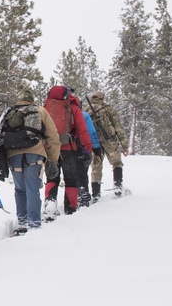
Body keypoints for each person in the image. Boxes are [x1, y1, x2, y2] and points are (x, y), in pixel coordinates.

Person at [0, 88, 60, 233]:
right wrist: (53, 160)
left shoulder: (9, 112)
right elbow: (52, 137)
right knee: (32, 188)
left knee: (19, 189)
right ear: (31, 99)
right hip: (34, 154)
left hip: (13, 156)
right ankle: (34, 223)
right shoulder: (40, 111)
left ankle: (22, 222)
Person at [42, 85, 92, 216]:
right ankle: (70, 208)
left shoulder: (46, 107)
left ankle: (50, 204)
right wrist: (87, 148)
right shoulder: (73, 107)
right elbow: (82, 130)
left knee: (52, 177)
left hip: (50, 149)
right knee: (70, 179)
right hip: (69, 148)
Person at [84, 90, 127, 199]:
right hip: (109, 141)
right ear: (101, 98)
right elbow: (117, 126)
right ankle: (118, 187)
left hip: (94, 143)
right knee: (117, 163)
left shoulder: (85, 109)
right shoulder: (107, 108)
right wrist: (124, 144)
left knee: (95, 167)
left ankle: (96, 194)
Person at [78, 110, 99, 207]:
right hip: (83, 149)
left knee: (69, 176)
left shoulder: (57, 112)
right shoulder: (83, 115)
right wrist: (96, 147)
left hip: (65, 149)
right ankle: (83, 197)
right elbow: (91, 132)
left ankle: (70, 201)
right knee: (82, 174)